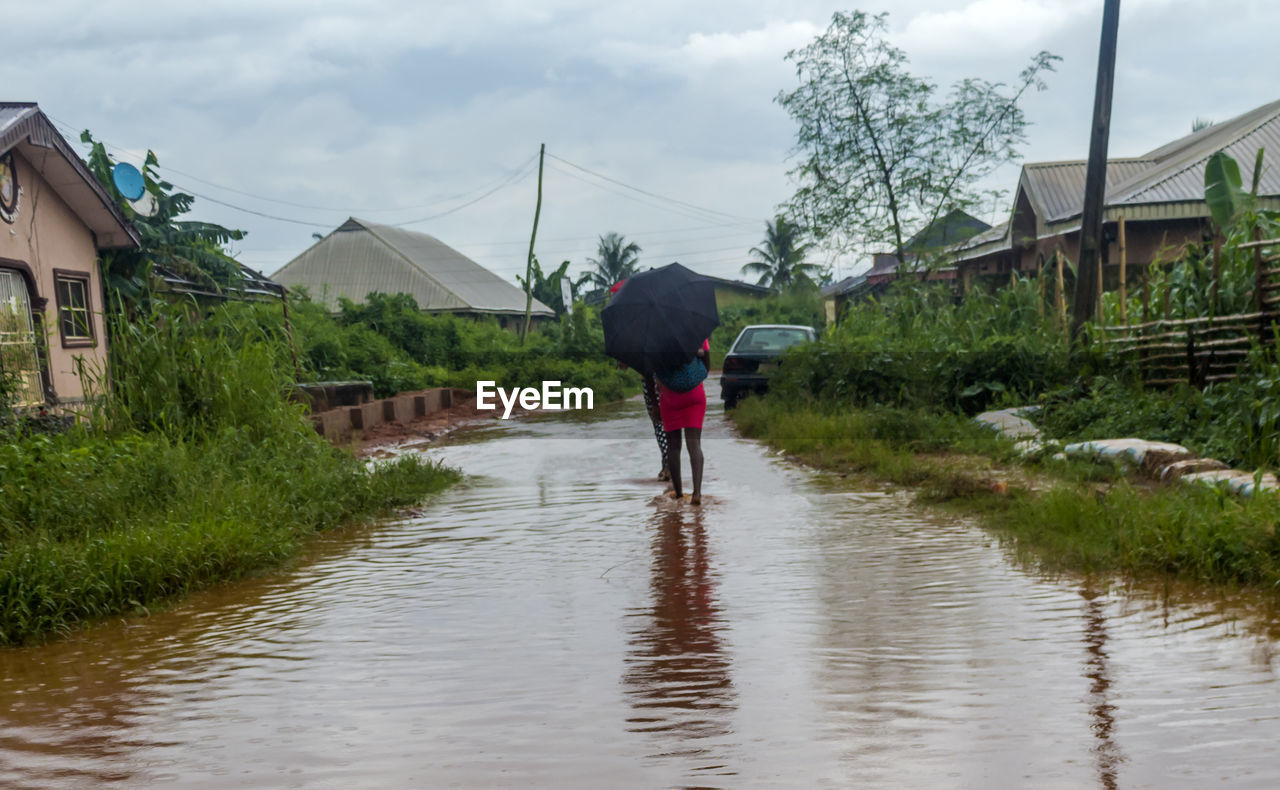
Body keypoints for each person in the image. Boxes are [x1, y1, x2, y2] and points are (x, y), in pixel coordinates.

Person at [611, 279, 669, 481]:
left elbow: (644, 365)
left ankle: (668, 464)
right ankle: (669, 463)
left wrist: (653, 399)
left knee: (658, 421)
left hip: (654, 381)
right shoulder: (663, 322)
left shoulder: (636, 327)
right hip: (670, 379)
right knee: (667, 423)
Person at [657, 339, 709, 505]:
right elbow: (706, 364)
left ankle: (679, 493)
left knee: (673, 446)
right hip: (694, 394)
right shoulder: (695, 332)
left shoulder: (655, 338)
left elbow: (652, 373)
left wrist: (653, 400)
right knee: (694, 445)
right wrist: (693, 380)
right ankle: (697, 494)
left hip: (669, 396)